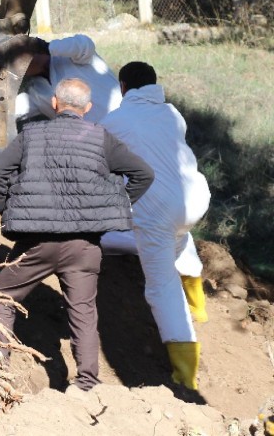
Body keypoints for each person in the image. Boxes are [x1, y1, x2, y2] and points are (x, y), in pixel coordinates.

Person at [0, 78, 154, 392]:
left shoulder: (31, 134)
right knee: (84, 313)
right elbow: (143, 174)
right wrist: (114, 204)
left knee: (2, 299)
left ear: (54, 103)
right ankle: (86, 384)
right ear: (87, 108)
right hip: (84, 246)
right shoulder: (102, 137)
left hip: (36, 242)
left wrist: (8, 209)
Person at [99, 62, 210, 391]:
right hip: (195, 199)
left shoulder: (115, 121)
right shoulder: (173, 114)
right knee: (179, 239)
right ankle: (199, 306)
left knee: (161, 287)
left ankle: (185, 375)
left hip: (158, 210)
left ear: (122, 87)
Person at [16, 34, 121, 124]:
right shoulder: (36, 92)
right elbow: (12, 110)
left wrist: (47, 47)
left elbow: (84, 44)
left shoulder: (74, 57)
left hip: (124, 123)